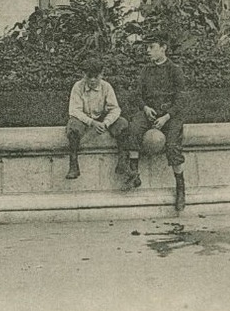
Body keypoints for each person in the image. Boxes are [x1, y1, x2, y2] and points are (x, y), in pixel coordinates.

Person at [122, 37, 187, 212]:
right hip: (150, 112)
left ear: (163, 48)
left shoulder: (175, 70)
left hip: (170, 115)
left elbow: (181, 99)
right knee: (134, 129)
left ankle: (180, 188)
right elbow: (137, 95)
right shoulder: (146, 70)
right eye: (147, 47)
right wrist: (145, 108)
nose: (148, 51)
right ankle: (134, 173)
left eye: (152, 47)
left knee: (173, 145)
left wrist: (167, 117)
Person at [65, 54, 128, 180]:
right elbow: (74, 111)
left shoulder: (106, 87)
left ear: (102, 74)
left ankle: (122, 161)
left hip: (103, 118)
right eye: (89, 76)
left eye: (96, 76)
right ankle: (73, 164)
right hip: (84, 119)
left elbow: (115, 109)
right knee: (73, 126)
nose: (93, 80)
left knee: (123, 124)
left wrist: (106, 123)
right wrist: (92, 123)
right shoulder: (78, 87)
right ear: (84, 74)